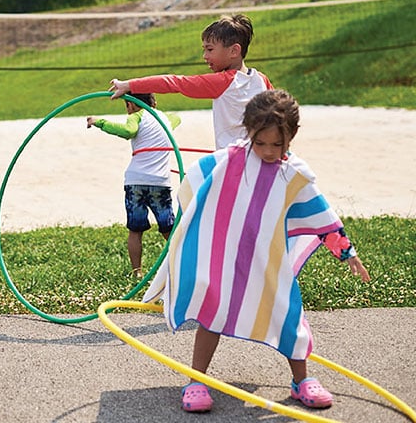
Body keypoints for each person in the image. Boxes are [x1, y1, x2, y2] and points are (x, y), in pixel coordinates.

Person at [142, 89, 371, 413]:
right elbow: (194, 180)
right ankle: (196, 379)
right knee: (211, 312)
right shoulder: (230, 160)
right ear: (248, 133)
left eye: (277, 145)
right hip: (224, 259)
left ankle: (301, 380)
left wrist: (347, 252)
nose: (267, 151)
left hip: (268, 264)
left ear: (291, 137)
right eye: (259, 142)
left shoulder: (295, 175)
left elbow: (322, 217)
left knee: (289, 318)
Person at [109, 14, 273, 150]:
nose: (205, 56)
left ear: (234, 51)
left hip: (232, 162)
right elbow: (280, 114)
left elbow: (174, 83)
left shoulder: (223, 82)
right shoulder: (261, 79)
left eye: (209, 49)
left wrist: (129, 85)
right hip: (259, 158)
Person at [86, 93, 181, 277]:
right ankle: (180, 265)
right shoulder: (166, 119)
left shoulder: (136, 117)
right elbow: (178, 118)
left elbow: (128, 131)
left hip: (136, 182)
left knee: (135, 230)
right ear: (154, 102)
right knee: (169, 229)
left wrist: (99, 122)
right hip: (159, 182)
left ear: (131, 104)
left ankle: (137, 271)